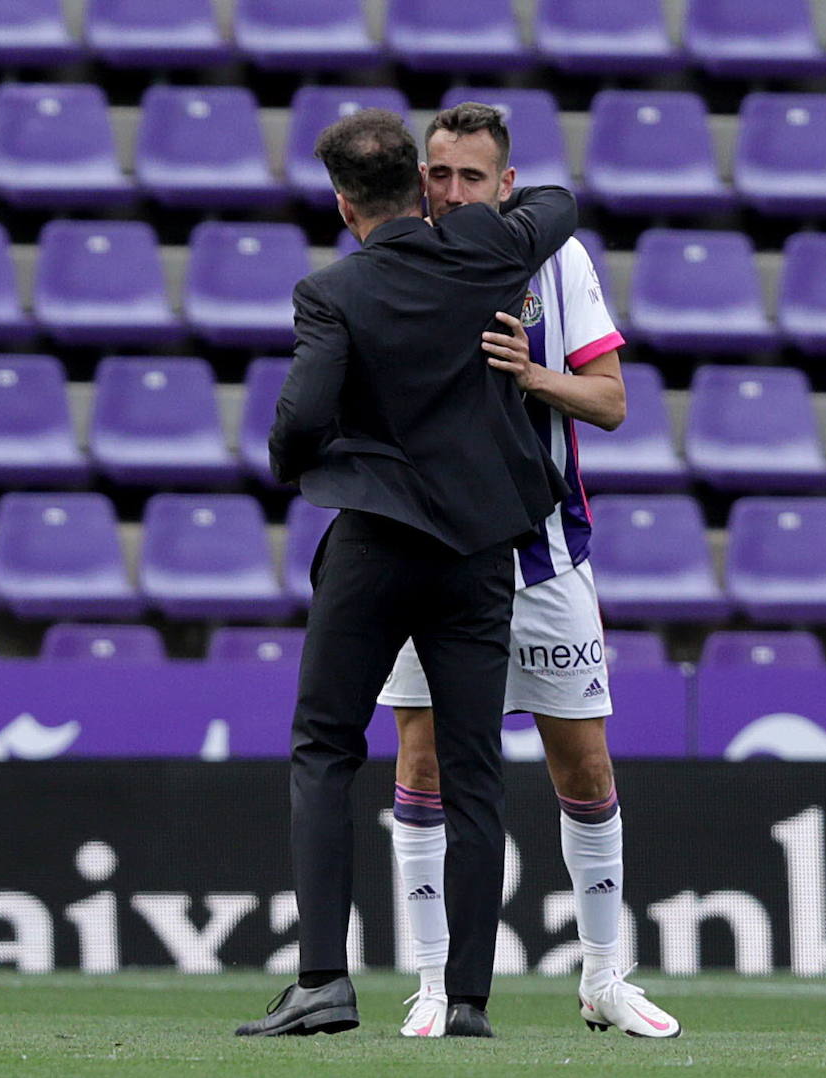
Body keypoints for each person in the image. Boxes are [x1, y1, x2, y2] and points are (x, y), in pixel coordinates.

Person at [236, 109, 577, 1039]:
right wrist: (469, 216)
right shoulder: (487, 253)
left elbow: (299, 421)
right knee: (471, 768)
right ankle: (466, 999)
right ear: (422, 187)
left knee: (325, 750)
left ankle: (323, 982)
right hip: (477, 556)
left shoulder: (332, 292)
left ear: (345, 202)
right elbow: (559, 201)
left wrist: (304, 458)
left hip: (378, 544)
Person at [378, 103, 682, 1040]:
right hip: (428, 558)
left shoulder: (560, 264)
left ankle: (602, 975)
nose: (455, 191)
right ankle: (432, 981)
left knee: (583, 767)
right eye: (441, 175)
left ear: (507, 188)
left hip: (545, 559)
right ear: (420, 179)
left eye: (474, 177)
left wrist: (531, 375)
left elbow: (613, 401)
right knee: (421, 762)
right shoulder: (398, 263)